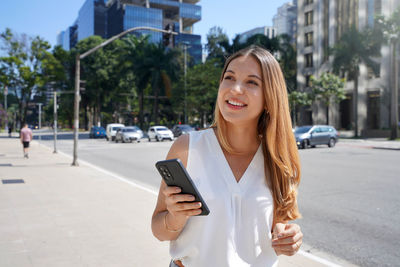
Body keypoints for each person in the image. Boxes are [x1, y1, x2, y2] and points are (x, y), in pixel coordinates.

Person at [151, 46, 303, 267]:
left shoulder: (278, 159)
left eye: (252, 82)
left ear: (270, 97)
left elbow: (280, 225)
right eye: (229, 78)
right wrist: (176, 216)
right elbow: (158, 230)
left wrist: (290, 238)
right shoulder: (187, 147)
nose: (235, 89)